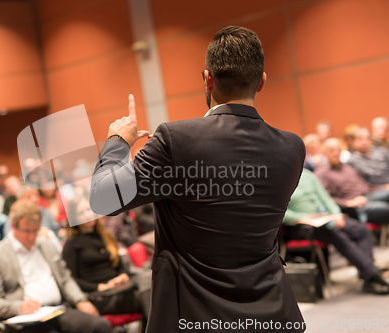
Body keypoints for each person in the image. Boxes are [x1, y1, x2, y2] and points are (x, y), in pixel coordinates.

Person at [90, 26, 306, 332]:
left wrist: (116, 142)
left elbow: (102, 198)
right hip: (272, 312)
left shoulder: (176, 140)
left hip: (193, 316)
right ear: (262, 82)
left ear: (207, 79)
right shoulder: (293, 147)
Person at [0, 200, 112, 333]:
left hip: (58, 310)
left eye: (36, 230)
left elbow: (65, 278)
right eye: (26, 231)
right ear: (13, 226)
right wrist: (19, 307)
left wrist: (80, 300)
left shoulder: (46, 245)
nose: (32, 236)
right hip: (28, 320)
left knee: (101, 326)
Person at [283, 168, 389, 294]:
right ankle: (373, 275)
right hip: (302, 225)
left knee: (363, 230)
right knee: (338, 236)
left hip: (325, 218)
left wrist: (336, 214)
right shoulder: (278, 179)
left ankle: (368, 277)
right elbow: (278, 212)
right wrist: (301, 217)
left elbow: (326, 198)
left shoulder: (308, 174)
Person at [62, 197, 150, 321]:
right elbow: (72, 279)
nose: (88, 215)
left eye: (88, 209)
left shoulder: (104, 235)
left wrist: (121, 276)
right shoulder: (71, 244)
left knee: (152, 279)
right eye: (81, 213)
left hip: (119, 287)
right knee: (148, 295)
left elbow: (118, 265)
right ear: (73, 218)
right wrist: (100, 286)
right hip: (100, 295)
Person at [315, 138, 389, 225]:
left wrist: (384, 187)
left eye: (338, 149)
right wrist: (348, 203)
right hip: (355, 207)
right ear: (325, 153)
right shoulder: (321, 173)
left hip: (368, 196)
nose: (336, 153)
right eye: (332, 150)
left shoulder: (348, 168)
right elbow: (326, 199)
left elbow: (367, 186)